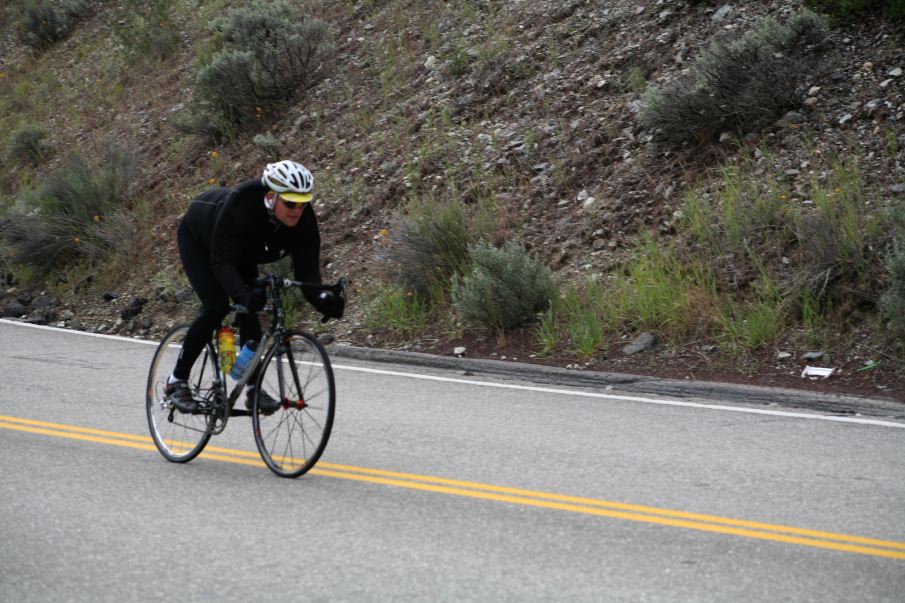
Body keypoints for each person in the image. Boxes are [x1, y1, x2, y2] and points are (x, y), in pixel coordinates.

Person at [165, 160, 344, 413]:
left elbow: (307, 273)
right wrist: (241, 294)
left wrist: (323, 298)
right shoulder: (242, 205)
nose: (297, 210)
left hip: (244, 252)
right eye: (290, 203)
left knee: (252, 309)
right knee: (216, 307)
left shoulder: (304, 221)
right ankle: (176, 381)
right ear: (271, 197)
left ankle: (252, 389)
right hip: (202, 241)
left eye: (303, 204)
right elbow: (220, 261)